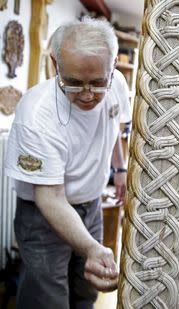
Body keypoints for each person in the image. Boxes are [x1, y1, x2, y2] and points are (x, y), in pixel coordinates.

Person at [4, 17, 131, 309]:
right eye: (73, 83)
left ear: (112, 68)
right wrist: (90, 247)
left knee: (85, 294)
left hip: (91, 204)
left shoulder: (117, 84)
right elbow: (50, 198)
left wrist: (120, 169)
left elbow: (115, 126)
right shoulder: (36, 115)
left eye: (98, 83)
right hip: (43, 214)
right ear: (55, 64)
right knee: (48, 299)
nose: (88, 94)